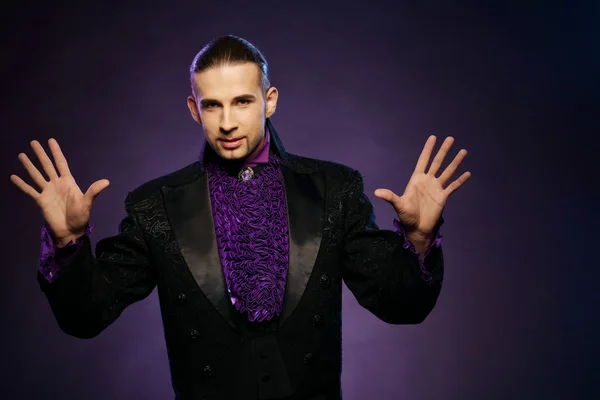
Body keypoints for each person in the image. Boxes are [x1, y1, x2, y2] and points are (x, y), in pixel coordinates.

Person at [10, 35, 471, 400]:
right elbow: (86, 316)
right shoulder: (155, 205)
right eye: (213, 105)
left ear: (269, 101)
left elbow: (402, 306)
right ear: (195, 110)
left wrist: (419, 240)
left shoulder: (335, 189)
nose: (227, 122)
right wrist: (69, 242)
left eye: (242, 102)